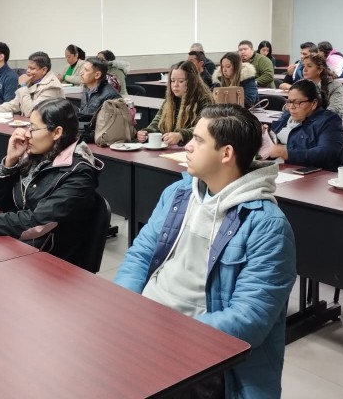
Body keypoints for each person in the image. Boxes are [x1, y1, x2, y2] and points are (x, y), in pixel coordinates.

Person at [114, 104, 296, 399]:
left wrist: (169, 334)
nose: (187, 145)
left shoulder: (267, 225)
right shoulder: (178, 194)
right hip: (146, 328)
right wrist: (124, 306)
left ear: (226, 154)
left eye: (198, 140)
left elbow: (249, 317)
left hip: (202, 353)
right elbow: (141, 254)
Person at [0, 98, 98, 264]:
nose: (27, 134)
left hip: (52, 262)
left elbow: (35, 222)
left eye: (33, 128)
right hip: (21, 247)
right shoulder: (38, 157)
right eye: (28, 126)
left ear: (56, 132)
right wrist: (10, 162)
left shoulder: (79, 174)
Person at [261, 79, 343, 169]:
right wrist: (265, 134)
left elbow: (326, 153)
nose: (291, 107)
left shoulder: (329, 122)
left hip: (312, 173)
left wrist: (287, 154)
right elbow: (274, 138)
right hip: (281, 168)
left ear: (314, 103)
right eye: (289, 102)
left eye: (297, 103)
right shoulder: (287, 116)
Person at [137, 60, 214, 146]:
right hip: (171, 149)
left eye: (181, 81)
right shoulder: (170, 100)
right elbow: (157, 121)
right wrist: (147, 132)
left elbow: (205, 127)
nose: (175, 85)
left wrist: (181, 135)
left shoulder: (204, 100)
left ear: (192, 82)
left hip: (195, 148)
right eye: (172, 81)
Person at [0, 51, 63, 117]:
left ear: (44, 70)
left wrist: (23, 86)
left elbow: (31, 113)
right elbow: (15, 104)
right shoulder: (32, 81)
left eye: (32, 68)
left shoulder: (52, 87)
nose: (28, 71)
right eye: (28, 68)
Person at [300, 53, 343, 118]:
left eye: (309, 66)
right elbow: (293, 106)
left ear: (320, 70)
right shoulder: (301, 85)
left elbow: (334, 109)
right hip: (308, 120)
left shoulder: (335, 85)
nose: (304, 70)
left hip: (333, 120)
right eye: (303, 66)